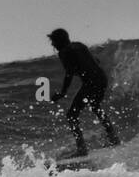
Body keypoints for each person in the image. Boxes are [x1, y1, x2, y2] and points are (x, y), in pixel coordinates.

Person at [48, 28, 120, 158]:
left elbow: (69, 73)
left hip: (91, 83)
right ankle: (113, 137)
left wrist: (62, 93)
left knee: (71, 115)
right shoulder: (79, 45)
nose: (53, 45)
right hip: (101, 78)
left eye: (53, 42)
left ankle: (81, 148)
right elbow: (95, 61)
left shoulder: (64, 52)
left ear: (59, 41)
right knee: (95, 107)